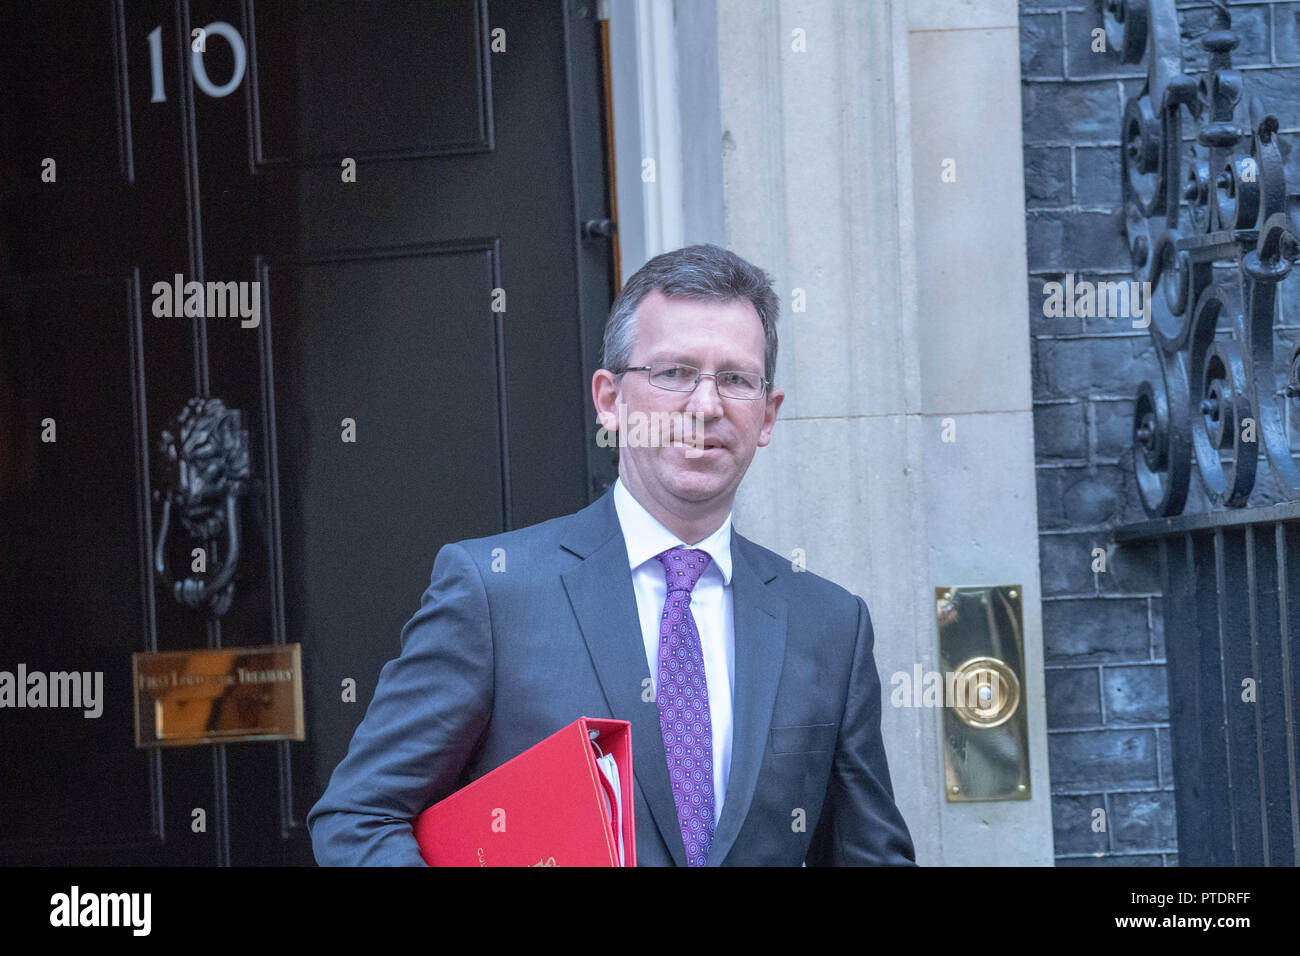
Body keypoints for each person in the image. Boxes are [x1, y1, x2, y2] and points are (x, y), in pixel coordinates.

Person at [307, 243, 916, 866]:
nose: (704, 406)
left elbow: (870, 852)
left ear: (767, 414)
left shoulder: (831, 625)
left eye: (734, 379)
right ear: (609, 399)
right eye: (673, 373)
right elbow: (360, 816)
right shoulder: (494, 594)